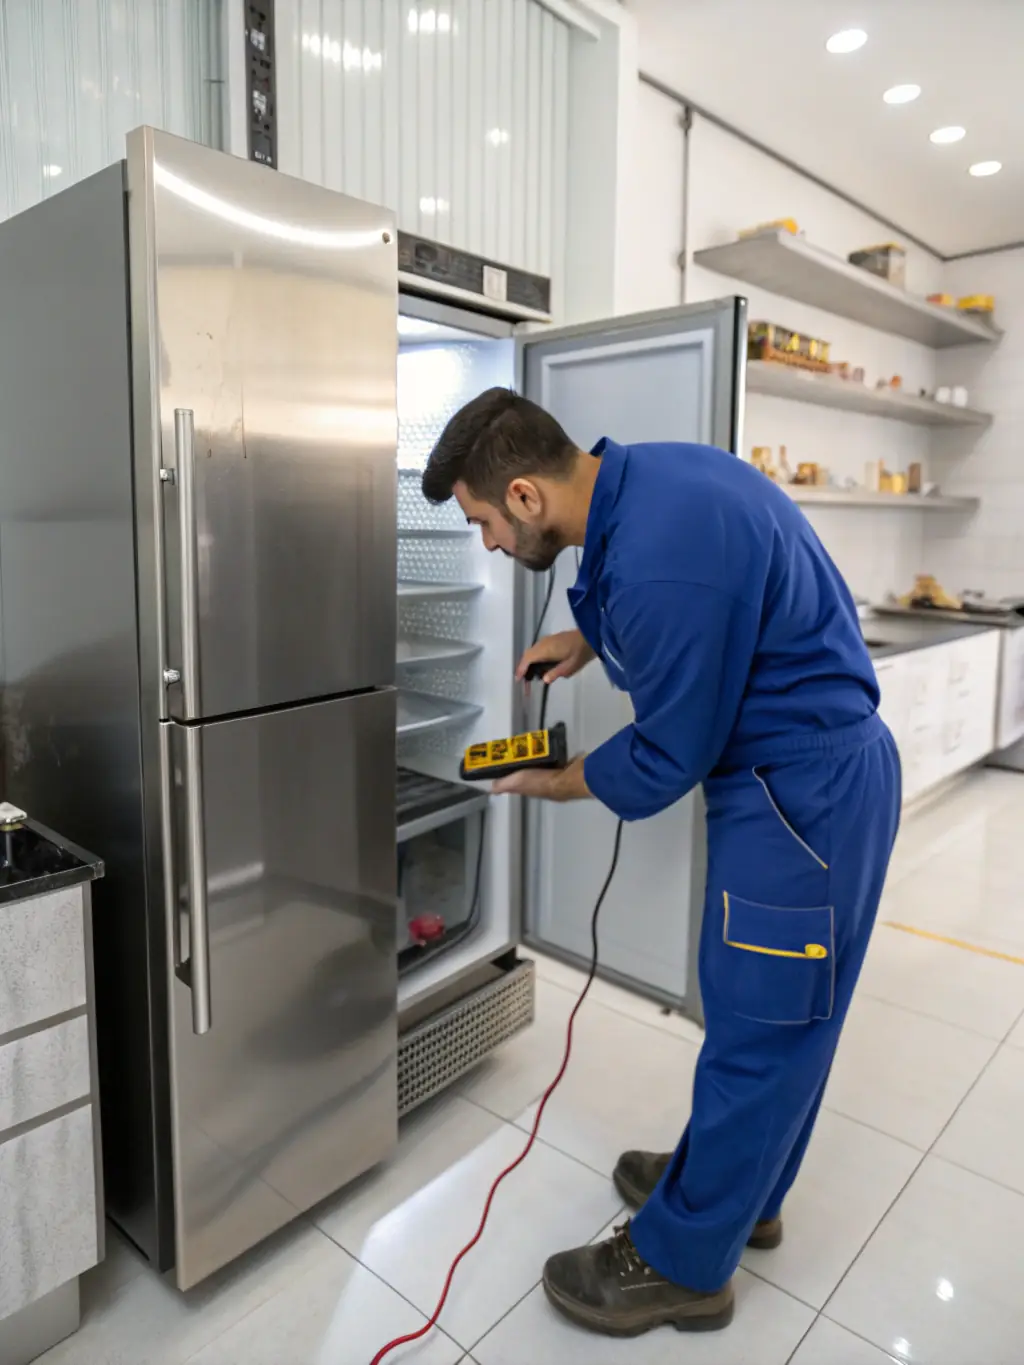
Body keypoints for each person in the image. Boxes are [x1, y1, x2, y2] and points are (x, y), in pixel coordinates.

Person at [420, 387, 901, 1339]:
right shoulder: (651, 481)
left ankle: (682, 1261)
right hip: (806, 782)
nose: (485, 546)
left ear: (523, 496)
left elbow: (670, 751)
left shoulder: (657, 565)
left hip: (799, 792)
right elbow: (702, 601)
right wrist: (587, 639)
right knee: (771, 1015)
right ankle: (736, 1195)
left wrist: (556, 783)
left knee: (762, 1026)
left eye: (481, 523)